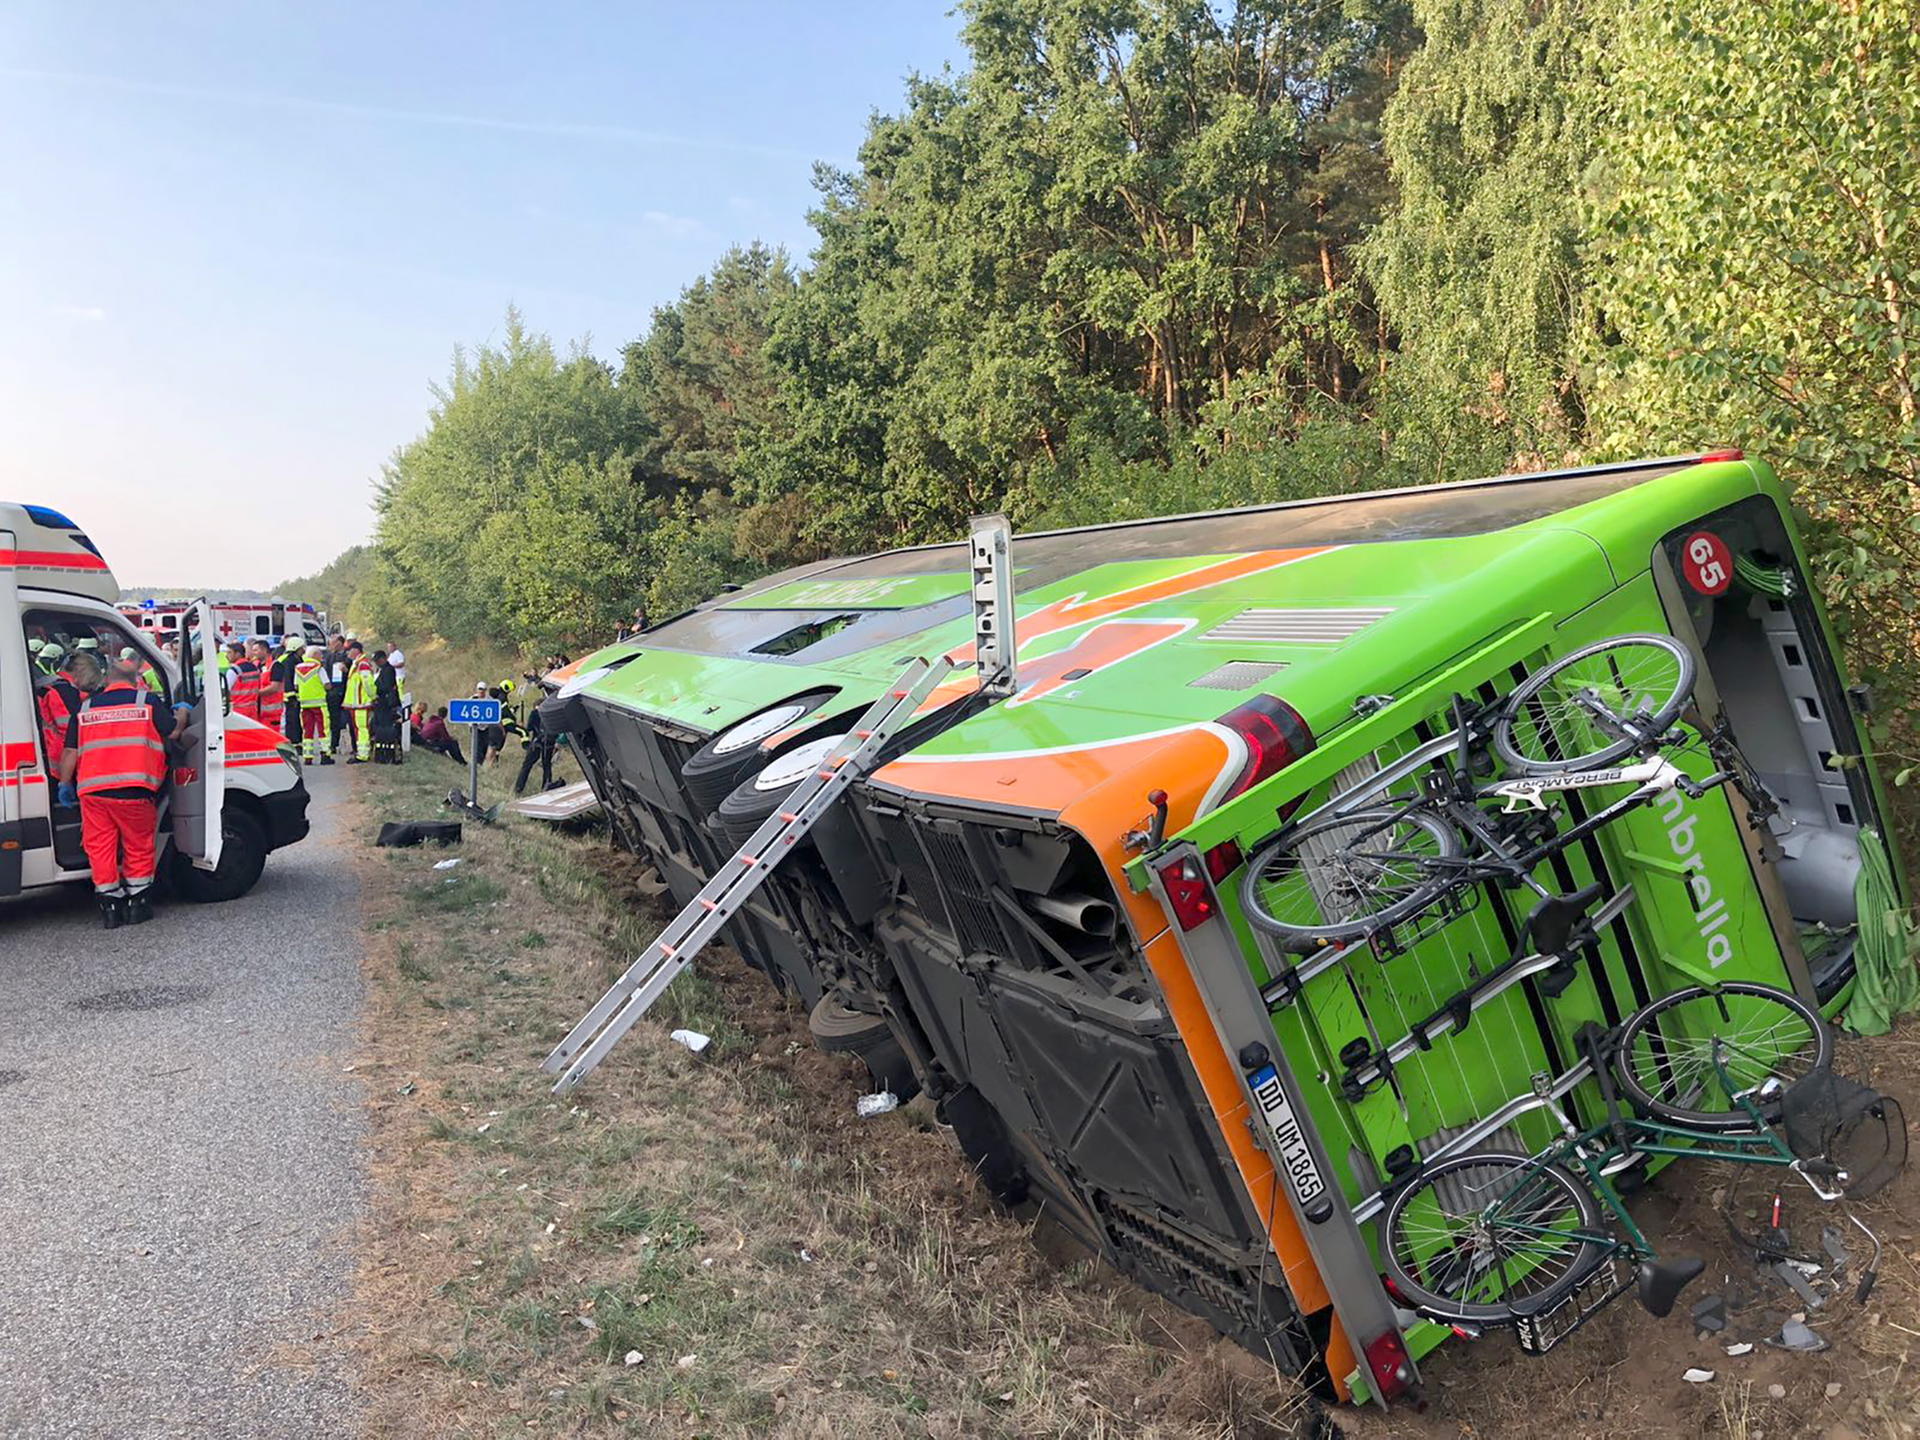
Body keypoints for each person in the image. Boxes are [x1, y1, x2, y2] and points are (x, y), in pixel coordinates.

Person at [55, 655, 186, 927]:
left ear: (106, 681)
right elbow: (173, 732)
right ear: (136, 681)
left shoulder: (85, 707)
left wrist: (65, 783)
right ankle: (137, 904)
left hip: (93, 791)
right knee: (137, 845)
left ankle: (110, 907)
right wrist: (183, 712)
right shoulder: (146, 701)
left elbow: (70, 751)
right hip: (135, 789)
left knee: (100, 847)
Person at [294, 645, 332, 765]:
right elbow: (327, 684)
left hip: (304, 704)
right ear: (315, 655)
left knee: (307, 731)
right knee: (323, 730)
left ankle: (308, 757)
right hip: (319, 703)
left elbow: (296, 685)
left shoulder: (298, 668)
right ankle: (325, 755)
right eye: (320, 655)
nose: (321, 657)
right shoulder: (318, 668)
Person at [513, 702, 559, 795]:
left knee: (527, 766)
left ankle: (518, 788)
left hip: (536, 742)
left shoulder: (535, 713)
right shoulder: (550, 713)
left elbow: (529, 728)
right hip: (549, 742)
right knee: (547, 766)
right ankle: (546, 786)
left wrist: (522, 726)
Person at [342, 647, 376, 762]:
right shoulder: (357, 664)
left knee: (362, 729)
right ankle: (362, 753)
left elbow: (368, 683)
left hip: (361, 703)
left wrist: (373, 696)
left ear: (356, 651)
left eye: (349, 651)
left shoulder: (362, 664)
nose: (348, 653)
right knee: (359, 729)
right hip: (356, 704)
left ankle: (363, 754)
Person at [369, 650, 403, 763]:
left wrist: (375, 687)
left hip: (386, 703)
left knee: (385, 726)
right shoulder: (381, 670)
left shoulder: (388, 670)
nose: (377, 663)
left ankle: (386, 751)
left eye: (378, 661)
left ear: (383, 659)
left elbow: (386, 686)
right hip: (381, 703)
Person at [274, 635, 304, 746]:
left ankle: (296, 741)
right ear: (296, 648)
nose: (303, 651)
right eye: (301, 648)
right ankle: (294, 743)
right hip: (289, 696)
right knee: (292, 720)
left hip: (292, 695)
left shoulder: (294, 658)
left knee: (295, 719)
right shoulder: (288, 661)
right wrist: (292, 696)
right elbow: (287, 679)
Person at [324, 634, 350, 755]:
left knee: (345, 720)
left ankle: (347, 745)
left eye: (332, 643)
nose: (330, 645)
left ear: (339, 643)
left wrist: (346, 670)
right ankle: (334, 744)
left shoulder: (347, 656)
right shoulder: (329, 656)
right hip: (332, 692)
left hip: (345, 691)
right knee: (333, 719)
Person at [226, 642, 264, 723]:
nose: (226, 655)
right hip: (253, 709)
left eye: (229, 652)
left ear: (238, 654)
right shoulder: (254, 668)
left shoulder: (234, 670)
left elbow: (225, 690)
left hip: (238, 711)